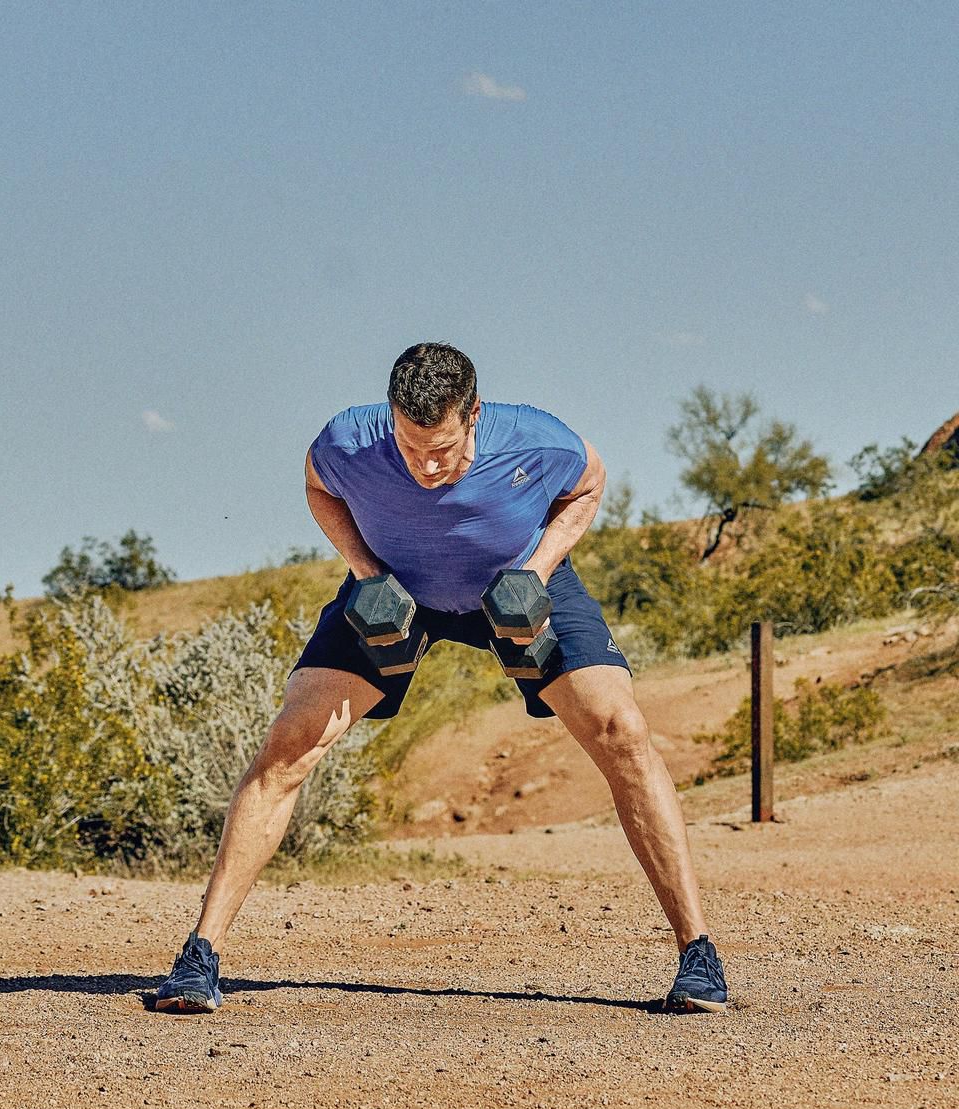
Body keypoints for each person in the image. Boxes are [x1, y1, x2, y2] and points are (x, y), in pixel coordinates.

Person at [155, 342, 728, 1014]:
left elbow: (591, 483)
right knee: (292, 737)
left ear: (475, 415)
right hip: (397, 588)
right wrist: (366, 570)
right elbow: (317, 486)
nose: (427, 466)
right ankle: (200, 955)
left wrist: (539, 569)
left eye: (444, 449)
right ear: (391, 416)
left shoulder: (537, 440)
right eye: (411, 444)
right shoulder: (347, 441)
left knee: (620, 727)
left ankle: (698, 953)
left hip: (514, 583)